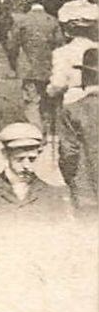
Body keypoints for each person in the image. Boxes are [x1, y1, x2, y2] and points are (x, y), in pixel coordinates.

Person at [0, 123, 70, 222]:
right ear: (5, 154)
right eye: (19, 159)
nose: (27, 166)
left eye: (32, 159)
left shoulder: (52, 194)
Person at [8, 0, 62, 134]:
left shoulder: (22, 21)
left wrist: (14, 64)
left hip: (28, 68)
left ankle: (37, 133)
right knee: (46, 99)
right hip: (48, 68)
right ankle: (48, 129)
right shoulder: (52, 21)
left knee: (31, 101)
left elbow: (12, 46)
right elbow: (60, 45)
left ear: (29, 2)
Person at [56, 48, 99, 216]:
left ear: (86, 77)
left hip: (86, 190)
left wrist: (71, 181)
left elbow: (68, 153)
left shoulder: (72, 111)